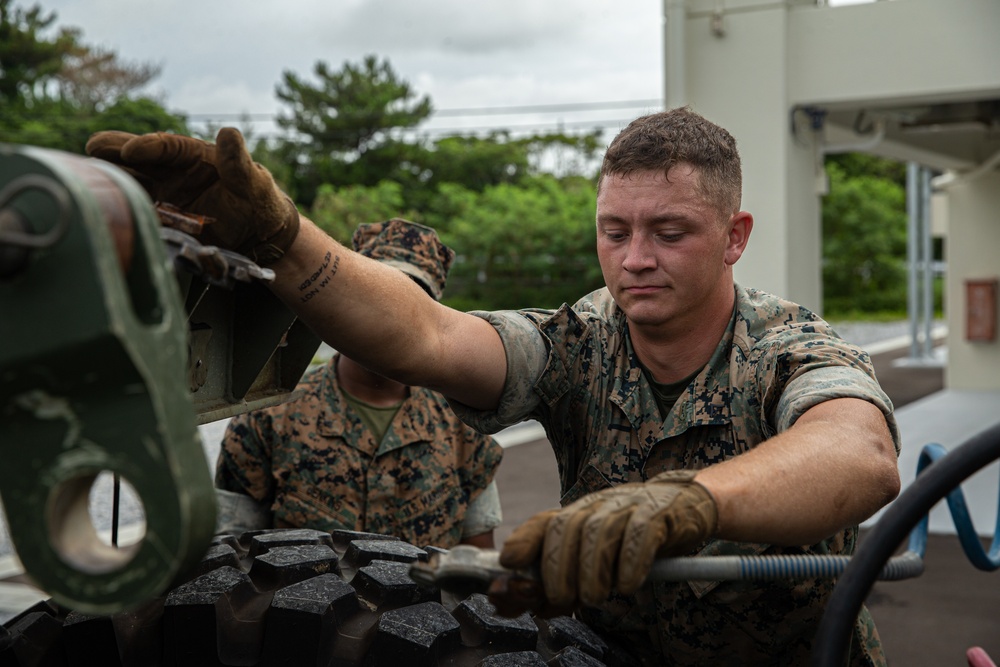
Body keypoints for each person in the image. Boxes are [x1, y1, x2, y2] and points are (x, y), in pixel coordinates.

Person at [86, 107, 901, 666]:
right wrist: (285, 241)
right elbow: (429, 335)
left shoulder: (783, 342)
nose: (634, 258)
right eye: (614, 232)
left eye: (669, 232)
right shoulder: (579, 339)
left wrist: (684, 502)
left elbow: (857, 451)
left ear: (735, 236)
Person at [212, 218, 504, 549]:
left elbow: (477, 571)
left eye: (411, 298)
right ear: (343, 301)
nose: (391, 316)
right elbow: (229, 560)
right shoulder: (268, 417)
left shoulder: (464, 426)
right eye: (376, 295)